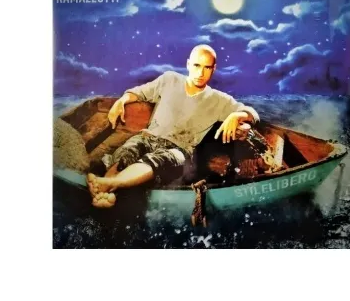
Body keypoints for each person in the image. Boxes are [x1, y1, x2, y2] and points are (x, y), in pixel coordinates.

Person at [86, 44, 260, 208]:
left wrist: (237, 115)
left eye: (207, 67)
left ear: (213, 69)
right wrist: (122, 100)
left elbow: (253, 114)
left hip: (178, 150)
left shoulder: (219, 100)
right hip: (148, 137)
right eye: (197, 65)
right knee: (127, 151)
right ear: (188, 64)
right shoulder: (170, 79)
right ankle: (104, 192)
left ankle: (107, 186)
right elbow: (140, 92)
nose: (200, 72)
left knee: (159, 160)